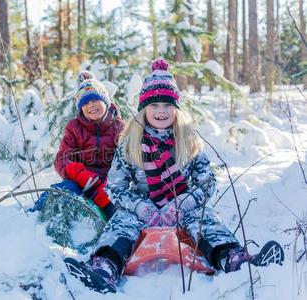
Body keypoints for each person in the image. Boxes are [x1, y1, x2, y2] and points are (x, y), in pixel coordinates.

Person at [64, 59, 284, 294]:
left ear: (177, 109)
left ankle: (234, 259)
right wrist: (139, 206)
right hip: (141, 207)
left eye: (167, 105)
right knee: (121, 224)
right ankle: (105, 267)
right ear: (144, 109)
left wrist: (181, 204)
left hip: (182, 206)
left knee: (205, 221)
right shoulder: (130, 143)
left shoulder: (189, 141)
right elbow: (115, 186)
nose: (161, 111)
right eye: (154, 105)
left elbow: (206, 182)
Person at [29, 70, 125, 220]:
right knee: (63, 190)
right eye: (85, 102)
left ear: (106, 100)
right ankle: (32, 216)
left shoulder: (119, 128)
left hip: (109, 186)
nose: (91, 105)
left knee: (116, 210)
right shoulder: (74, 127)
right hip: (82, 183)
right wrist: (79, 174)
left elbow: (126, 162)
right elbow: (62, 159)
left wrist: (106, 186)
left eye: (95, 99)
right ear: (80, 108)